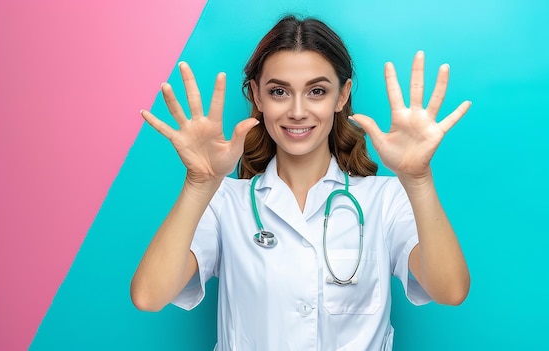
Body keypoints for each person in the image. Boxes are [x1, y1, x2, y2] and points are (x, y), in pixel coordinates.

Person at [131, 15, 471, 350]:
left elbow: (450, 291)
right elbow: (149, 296)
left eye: (317, 91)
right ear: (257, 97)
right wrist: (199, 184)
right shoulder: (223, 201)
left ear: (342, 96)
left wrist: (419, 180)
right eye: (279, 91)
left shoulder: (384, 199)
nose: (297, 111)